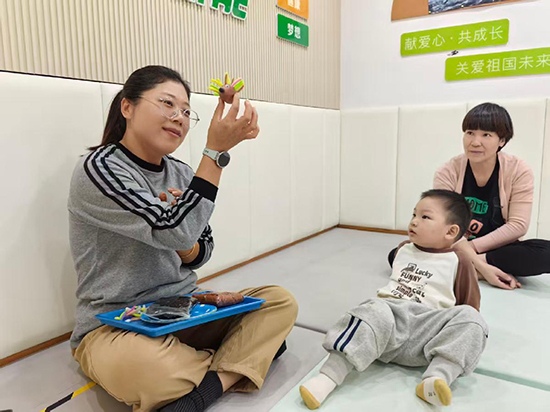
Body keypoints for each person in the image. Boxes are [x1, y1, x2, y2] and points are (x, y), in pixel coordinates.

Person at [68, 65, 298, 412]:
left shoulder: (182, 172)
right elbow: (173, 230)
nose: (179, 117)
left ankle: (207, 381)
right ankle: (242, 359)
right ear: (127, 107)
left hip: (185, 309)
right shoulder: (100, 168)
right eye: (167, 104)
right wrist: (214, 154)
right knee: (151, 371)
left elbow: (201, 250)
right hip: (116, 325)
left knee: (279, 302)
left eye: (187, 111)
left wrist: (180, 230)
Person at [300, 190, 487, 409]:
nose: (414, 221)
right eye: (414, 215)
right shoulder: (402, 249)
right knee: (372, 309)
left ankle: (437, 379)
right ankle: (327, 378)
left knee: (472, 319)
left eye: (425, 217)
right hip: (387, 327)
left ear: (451, 231)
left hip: (427, 337)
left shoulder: (459, 260)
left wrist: (459, 329)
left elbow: (469, 304)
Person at [434, 103, 550, 289]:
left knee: (546, 252)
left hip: (496, 248)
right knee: (397, 254)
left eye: (486, 135)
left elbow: (518, 225)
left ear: (501, 141)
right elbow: (444, 223)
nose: (475, 142)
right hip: (455, 244)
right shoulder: (448, 171)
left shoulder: (518, 170)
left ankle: (456, 267)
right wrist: (482, 268)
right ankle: (477, 270)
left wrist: (472, 250)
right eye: (470, 133)